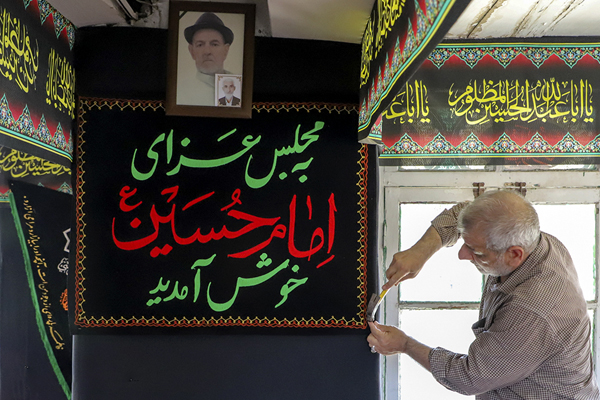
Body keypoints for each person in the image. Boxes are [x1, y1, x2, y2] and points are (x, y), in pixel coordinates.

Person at [367, 190, 599, 399]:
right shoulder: (527, 237)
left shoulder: (532, 310)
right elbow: (465, 214)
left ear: (514, 255)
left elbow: (469, 377)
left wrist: (405, 344)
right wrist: (421, 251)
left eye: (477, 252)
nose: (461, 255)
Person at [177, 12, 234, 106]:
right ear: (191, 51)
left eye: (214, 44)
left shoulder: (241, 86)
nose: (207, 51)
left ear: (226, 50)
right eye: (200, 45)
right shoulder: (180, 93)